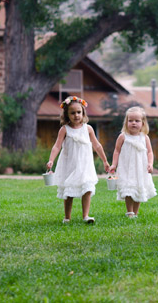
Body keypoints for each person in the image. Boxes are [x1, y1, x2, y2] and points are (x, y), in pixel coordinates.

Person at [47, 96, 110, 224]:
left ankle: (86, 215)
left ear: (83, 113)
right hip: (70, 165)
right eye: (72, 113)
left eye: (78, 112)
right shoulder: (64, 130)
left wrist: (104, 160)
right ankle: (67, 217)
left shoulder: (88, 129)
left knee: (87, 189)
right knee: (69, 191)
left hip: (85, 165)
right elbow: (57, 146)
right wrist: (51, 160)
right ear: (67, 115)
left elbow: (97, 145)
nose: (76, 115)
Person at [109, 107, 157, 218]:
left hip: (140, 168)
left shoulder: (144, 138)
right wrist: (114, 164)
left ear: (143, 123)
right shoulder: (123, 136)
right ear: (126, 122)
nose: (133, 123)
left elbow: (150, 152)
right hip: (126, 168)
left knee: (138, 187)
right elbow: (117, 151)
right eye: (130, 121)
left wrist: (150, 163)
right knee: (128, 188)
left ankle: (135, 212)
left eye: (137, 121)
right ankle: (129, 211)